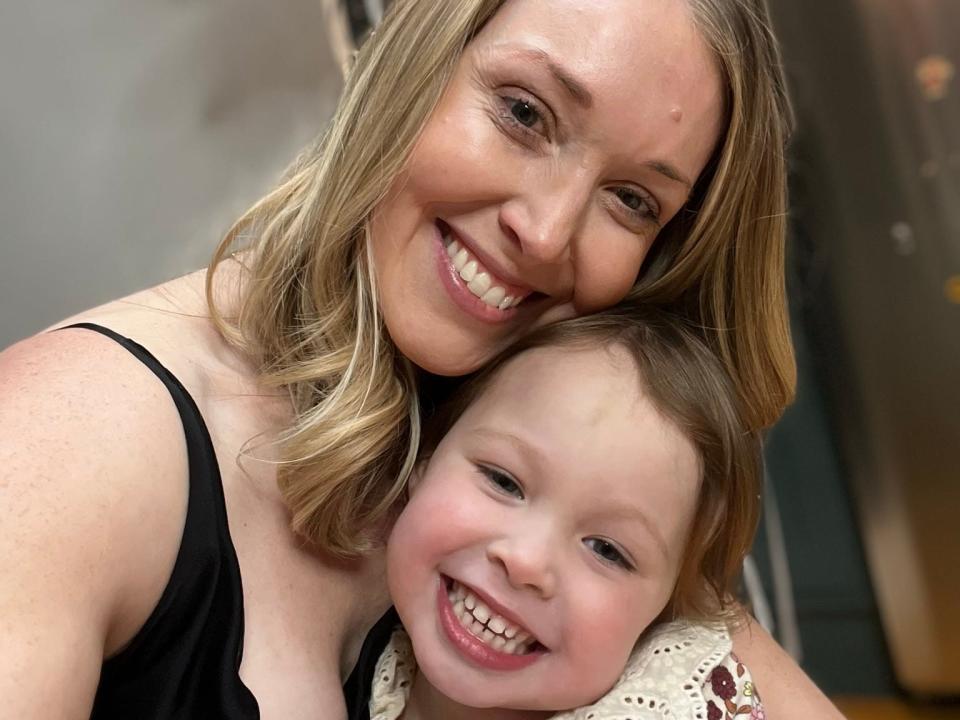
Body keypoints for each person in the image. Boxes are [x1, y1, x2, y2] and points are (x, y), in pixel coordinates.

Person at [0, 0, 842, 718]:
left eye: (631, 201)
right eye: (524, 113)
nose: (546, 232)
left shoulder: (584, 501)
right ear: (413, 61)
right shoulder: (69, 445)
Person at [367, 307, 767, 720]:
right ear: (426, 459)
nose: (526, 562)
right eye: (503, 482)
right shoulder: (347, 645)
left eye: (606, 550)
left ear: (662, 619)